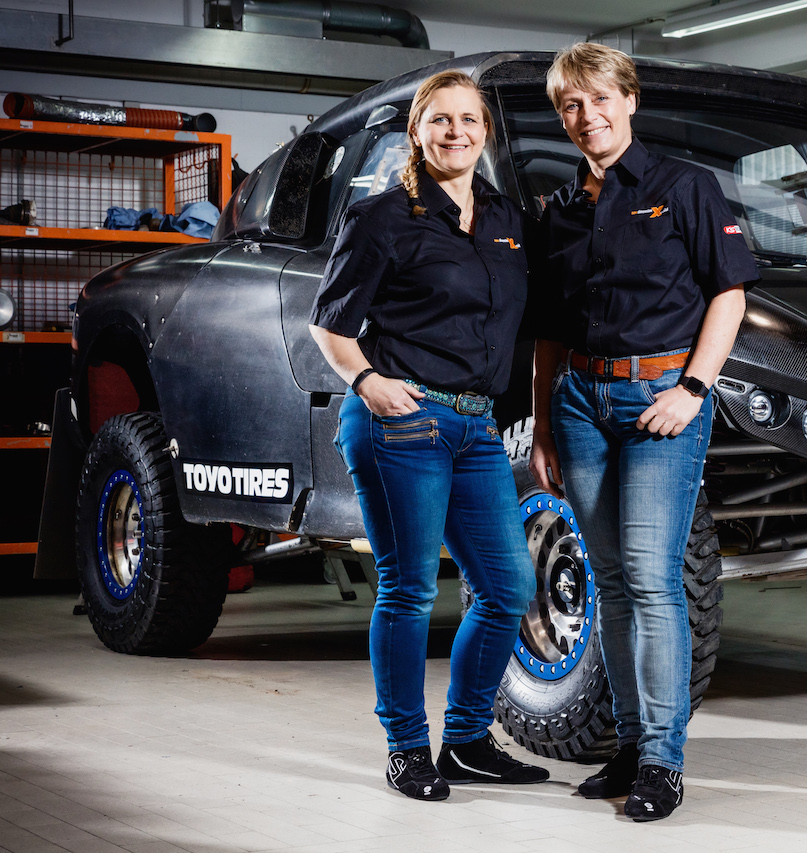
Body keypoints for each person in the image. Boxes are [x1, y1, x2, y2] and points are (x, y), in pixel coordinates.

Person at [529, 43, 758, 822]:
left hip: (661, 399)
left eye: (599, 99)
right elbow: (549, 328)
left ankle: (663, 759)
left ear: (629, 100)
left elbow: (730, 293)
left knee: (653, 579)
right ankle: (629, 746)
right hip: (578, 404)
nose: (586, 115)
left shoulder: (683, 188)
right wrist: (543, 426)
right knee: (611, 580)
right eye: (571, 104)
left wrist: (694, 388)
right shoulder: (560, 210)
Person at [308, 70, 547, 801]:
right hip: (402, 419)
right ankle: (408, 748)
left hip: (476, 425)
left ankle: (467, 741)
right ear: (416, 131)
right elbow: (329, 323)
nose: (456, 132)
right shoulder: (383, 218)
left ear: (486, 131)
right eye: (440, 119)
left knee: (508, 588)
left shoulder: (507, 219)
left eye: (468, 119)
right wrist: (366, 381)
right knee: (410, 588)